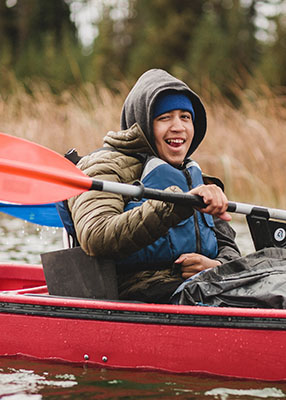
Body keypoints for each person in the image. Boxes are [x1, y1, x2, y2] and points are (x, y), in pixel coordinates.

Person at [67, 68, 241, 303]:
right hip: (139, 294)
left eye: (185, 117)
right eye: (165, 117)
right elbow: (97, 236)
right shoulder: (101, 167)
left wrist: (216, 266)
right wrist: (177, 204)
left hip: (200, 288)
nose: (178, 126)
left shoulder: (194, 176)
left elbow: (229, 248)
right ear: (143, 125)